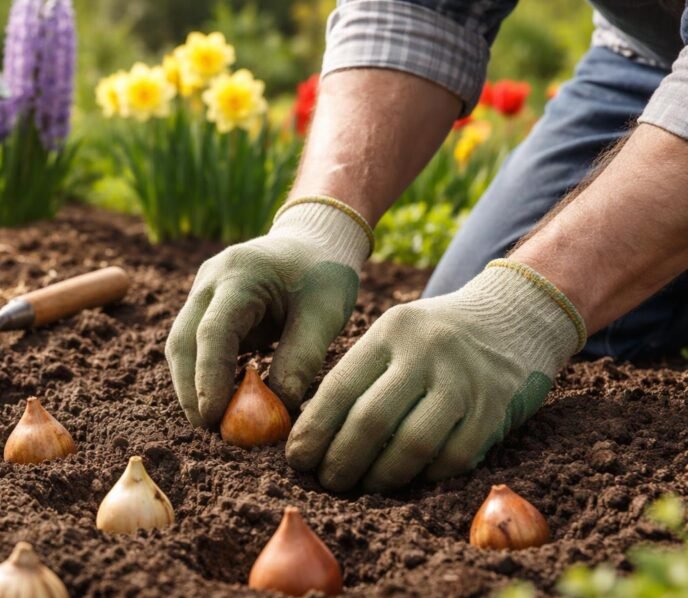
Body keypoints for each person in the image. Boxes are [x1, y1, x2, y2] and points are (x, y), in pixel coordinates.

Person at [165, 0, 688, 493]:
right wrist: (320, 224)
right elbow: (413, 10)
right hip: (641, 58)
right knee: (447, 368)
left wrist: (526, 311)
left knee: (515, 324)